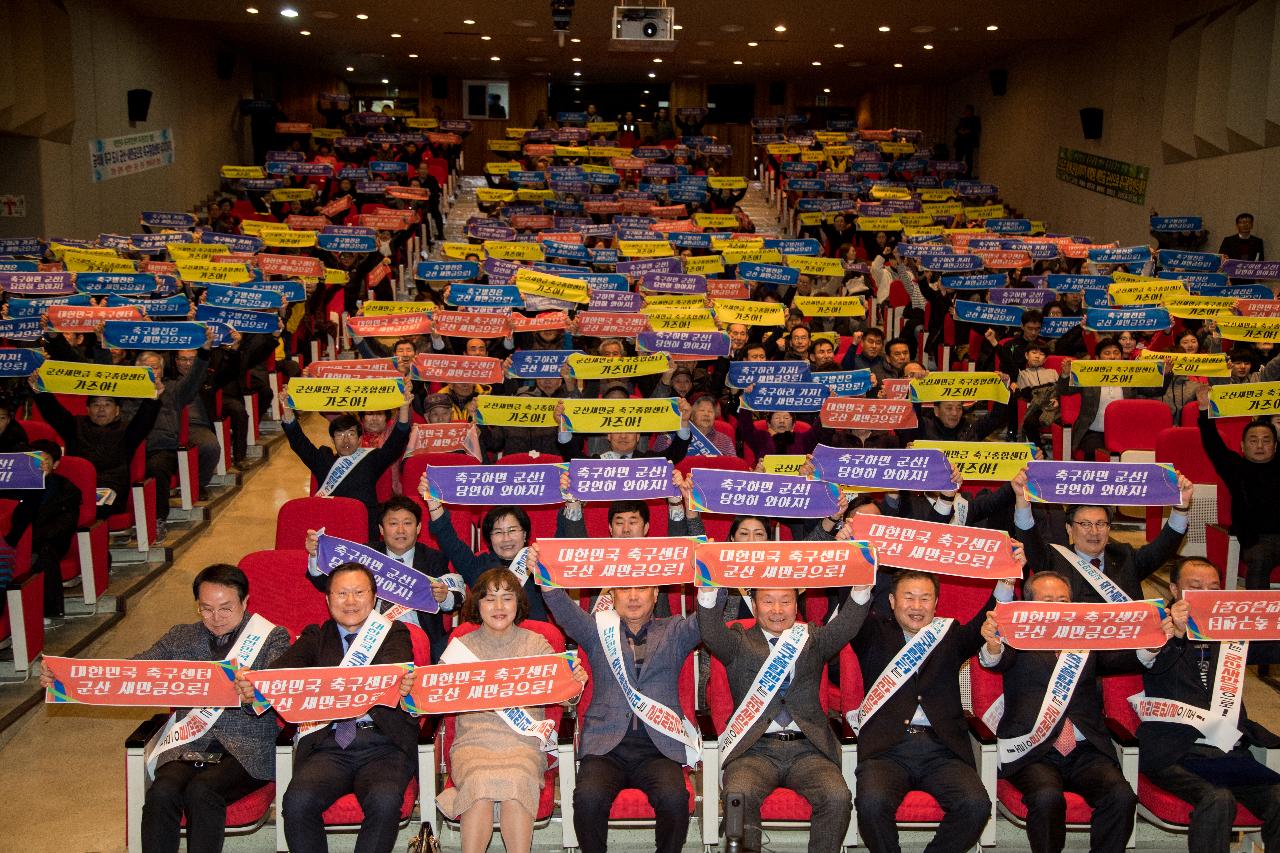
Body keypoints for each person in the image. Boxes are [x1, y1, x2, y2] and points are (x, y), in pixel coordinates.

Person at [37, 564, 290, 853]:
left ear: (245, 602)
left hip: (248, 746)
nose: (216, 618)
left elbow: (278, 690)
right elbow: (136, 669)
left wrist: (253, 695)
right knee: (162, 792)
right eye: (206, 609)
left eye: (225, 609)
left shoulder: (272, 637)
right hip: (190, 739)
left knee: (202, 791)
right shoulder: (181, 637)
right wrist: (67, 676)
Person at [237, 563, 418, 853]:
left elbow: (392, 672)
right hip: (329, 745)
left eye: (359, 592)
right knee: (297, 802)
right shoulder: (316, 637)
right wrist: (254, 684)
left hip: (383, 744)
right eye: (341, 593)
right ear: (327, 599)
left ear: (374, 598)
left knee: (384, 801)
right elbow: (279, 674)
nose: (350, 601)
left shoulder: (393, 633)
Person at [533, 544, 700, 853]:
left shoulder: (675, 630)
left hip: (658, 748)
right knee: (587, 799)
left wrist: (710, 573)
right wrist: (544, 572)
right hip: (606, 747)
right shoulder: (598, 629)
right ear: (613, 594)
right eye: (625, 588)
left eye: (642, 588)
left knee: (675, 799)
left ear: (655, 594)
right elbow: (562, 607)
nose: (633, 596)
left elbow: (708, 619)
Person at [850, 569, 1021, 853]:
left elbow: (983, 624)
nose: (917, 607)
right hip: (887, 750)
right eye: (909, 597)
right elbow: (851, 615)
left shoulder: (949, 634)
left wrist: (1005, 580)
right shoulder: (873, 633)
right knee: (871, 803)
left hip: (942, 750)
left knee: (976, 805)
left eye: (925, 599)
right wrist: (855, 565)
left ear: (936, 603)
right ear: (892, 601)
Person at [698, 582, 872, 853]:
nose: (777, 610)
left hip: (808, 750)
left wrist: (861, 587)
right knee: (739, 796)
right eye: (768, 601)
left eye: (785, 601)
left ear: (796, 606)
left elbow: (847, 624)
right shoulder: (738, 639)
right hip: (753, 751)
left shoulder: (812, 638)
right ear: (754, 606)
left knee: (837, 796)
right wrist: (708, 588)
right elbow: (709, 631)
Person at [979, 570, 1138, 853]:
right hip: (1032, 750)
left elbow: (1123, 658)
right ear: (1029, 606)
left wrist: (1151, 643)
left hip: (1085, 750)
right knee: (1046, 797)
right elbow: (995, 659)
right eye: (1048, 600)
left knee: (1121, 796)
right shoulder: (1017, 638)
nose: (1057, 607)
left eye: (1063, 600)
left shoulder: (1086, 638)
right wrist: (993, 646)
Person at [436, 567, 587, 853]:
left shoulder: (536, 643)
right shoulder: (460, 648)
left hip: (523, 743)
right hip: (473, 743)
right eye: (490, 599)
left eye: (507, 598)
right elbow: (438, 694)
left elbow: (567, 699)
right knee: (478, 785)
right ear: (477, 604)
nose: (499, 607)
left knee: (517, 780)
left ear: (518, 603)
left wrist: (575, 683)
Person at [1135, 557, 1280, 853]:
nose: (1205, 593)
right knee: (1218, 799)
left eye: (1212, 587)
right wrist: (1171, 635)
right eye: (1195, 587)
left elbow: (1271, 643)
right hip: (1175, 753)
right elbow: (1144, 659)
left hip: (1226, 752)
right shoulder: (1155, 627)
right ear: (1175, 589)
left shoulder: (1229, 631)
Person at [304, 496, 463, 661]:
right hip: (366, 637)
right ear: (381, 529)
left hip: (419, 640)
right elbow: (326, 583)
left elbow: (454, 602)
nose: (400, 530)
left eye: (408, 523)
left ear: (418, 528)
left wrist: (444, 597)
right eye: (393, 524)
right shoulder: (365, 555)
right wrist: (316, 555)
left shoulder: (434, 559)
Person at [1012, 467, 1194, 603]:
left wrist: (1181, 506)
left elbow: (1163, 548)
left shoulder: (1125, 556)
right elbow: (1028, 533)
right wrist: (1022, 499)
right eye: (1085, 524)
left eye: (1101, 524)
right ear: (1069, 529)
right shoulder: (1053, 559)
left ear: (1109, 529)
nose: (1094, 531)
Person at [280, 383, 412, 540]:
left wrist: (404, 408)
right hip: (331, 528)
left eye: (351, 434)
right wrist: (288, 410)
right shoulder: (323, 459)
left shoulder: (371, 458)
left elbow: (396, 443)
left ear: (360, 439)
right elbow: (299, 442)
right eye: (339, 435)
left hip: (365, 529)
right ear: (332, 439)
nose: (346, 439)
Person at [32, 374, 163, 520]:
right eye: (96, 404)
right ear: (87, 409)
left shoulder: (127, 431)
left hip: (111, 488)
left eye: (107, 404)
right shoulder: (75, 426)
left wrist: (153, 398)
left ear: (117, 410)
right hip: (76, 487)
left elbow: (144, 421)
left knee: (92, 510)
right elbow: (53, 413)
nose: (101, 409)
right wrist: (39, 391)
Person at [1195, 384, 1280, 588]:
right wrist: (1205, 409)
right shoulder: (1235, 467)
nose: (1259, 446)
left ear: (1276, 446)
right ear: (1242, 446)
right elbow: (1212, 443)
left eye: (1266, 441)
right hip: (1257, 540)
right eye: (1253, 440)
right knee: (1259, 560)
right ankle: (1257, 615)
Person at [2, 440, 81, 624]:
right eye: (33, 460)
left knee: (43, 554)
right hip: (17, 541)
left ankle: (48, 612)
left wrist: (29, 540)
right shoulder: (13, 486)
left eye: (43, 460)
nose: (37, 465)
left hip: (49, 541)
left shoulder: (67, 490)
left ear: (55, 464)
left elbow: (62, 526)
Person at [1055, 336, 1164, 459]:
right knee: (1093, 453)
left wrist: (1167, 373)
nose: (1112, 357)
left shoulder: (1131, 376)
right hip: (1093, 431)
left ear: (1121, 357)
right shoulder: (1087, 375)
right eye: (1107, 353)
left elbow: (1155, 390)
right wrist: (1065, 374)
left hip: (1124, 432)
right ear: (1097, 358)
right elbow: (1065, 391)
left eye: (1116, 353)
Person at [954, 105, 981, 178]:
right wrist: (960, 131)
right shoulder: (962, 120)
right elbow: (956, 130)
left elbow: (977, 129)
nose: (965, 112)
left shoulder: (975, 119)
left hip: (969, 142)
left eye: (967, 111)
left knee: (969, 159)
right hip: (960, 142)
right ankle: (958, 174)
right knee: (958, 158)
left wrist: (968, 131)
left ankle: (968, 174)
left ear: (971, 111)